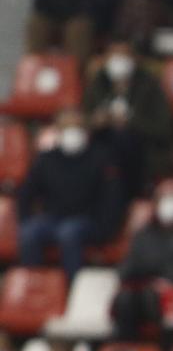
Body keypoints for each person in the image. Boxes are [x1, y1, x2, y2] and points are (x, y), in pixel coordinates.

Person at [17, 109, 125, 282]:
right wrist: (25, 219)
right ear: (58, 132)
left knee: (69, 233)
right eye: (66, 129)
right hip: (54, 218)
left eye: (77, 128)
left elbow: (112, 199)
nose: (72, 134)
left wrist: (106, 231)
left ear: (86, 131)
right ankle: (34, 285)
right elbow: (26, 193)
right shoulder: (47, 159)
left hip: (89, 220)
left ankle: (73, 288)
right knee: (30, 232)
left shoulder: (101, 157)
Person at [112, 181, 173, 340]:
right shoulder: (144, 234)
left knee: (156, 298)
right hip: (143, 293)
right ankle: (126, 348)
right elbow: (125, 269)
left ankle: (167, 350)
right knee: (125, 299)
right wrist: (148, 275)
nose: (169, 203)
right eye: (164, 198)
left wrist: (165, 278)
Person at [84, 39, 173, 190]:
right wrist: (95, 122)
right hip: (102, 153)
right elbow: (82, 121)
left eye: (124, 55)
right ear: (106, 59)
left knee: (122, 139)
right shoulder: (97, 84)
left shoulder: (150, 86)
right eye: (115, 55)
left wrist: (131, 121)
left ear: (134, 58)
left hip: (142, 155)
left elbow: (164, 129)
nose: (119, 60)